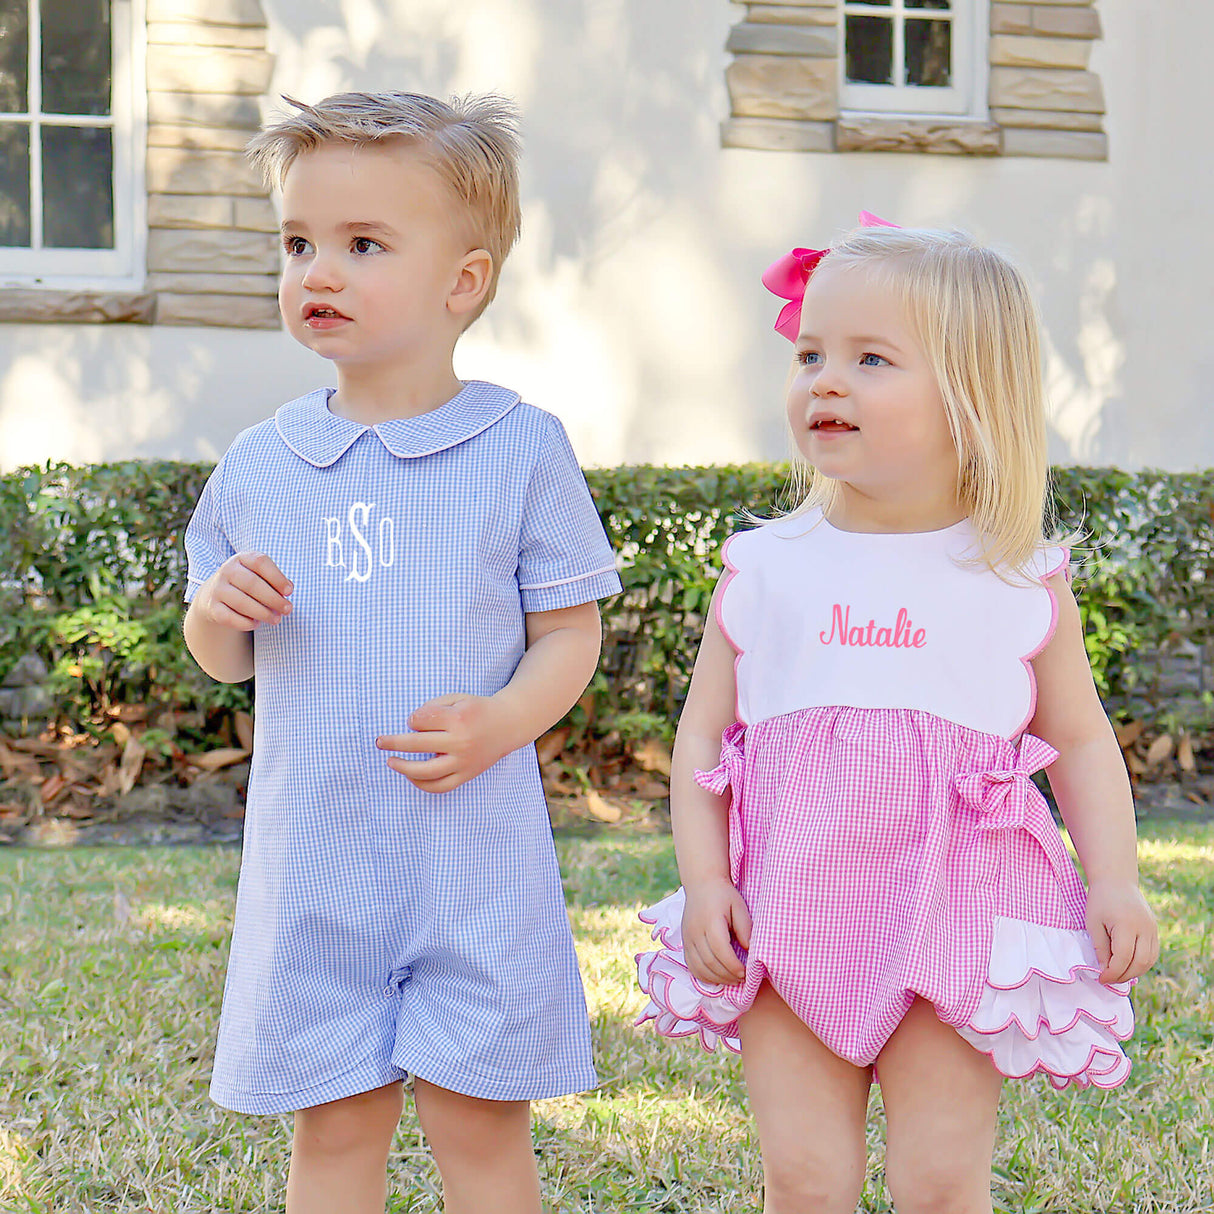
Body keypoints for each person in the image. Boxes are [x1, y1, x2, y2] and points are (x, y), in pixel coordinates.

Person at [634, 220, 1158, 1214]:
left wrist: (1115, 879)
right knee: (802, 1178)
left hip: (952, 919)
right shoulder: (765, 566)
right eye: (809, 353)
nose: (823, 381)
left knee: (937, 1180)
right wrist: (704, 881)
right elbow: (702, 739)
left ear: (970, 396)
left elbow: (1081, 740)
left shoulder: (1014, 577)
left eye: (869, 358)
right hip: (790, 917)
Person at [182, 91, 621, 1214]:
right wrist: (221, 609)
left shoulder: (519, 448)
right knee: (333, 1132)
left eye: (361, 245)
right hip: (319, 863)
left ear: (461, 280)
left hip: (471, 864)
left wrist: (502, 719)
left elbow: (568, 630)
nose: (315, 271)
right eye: (297, 243)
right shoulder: (261, 463)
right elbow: (219, 654)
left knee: (479, 1133)